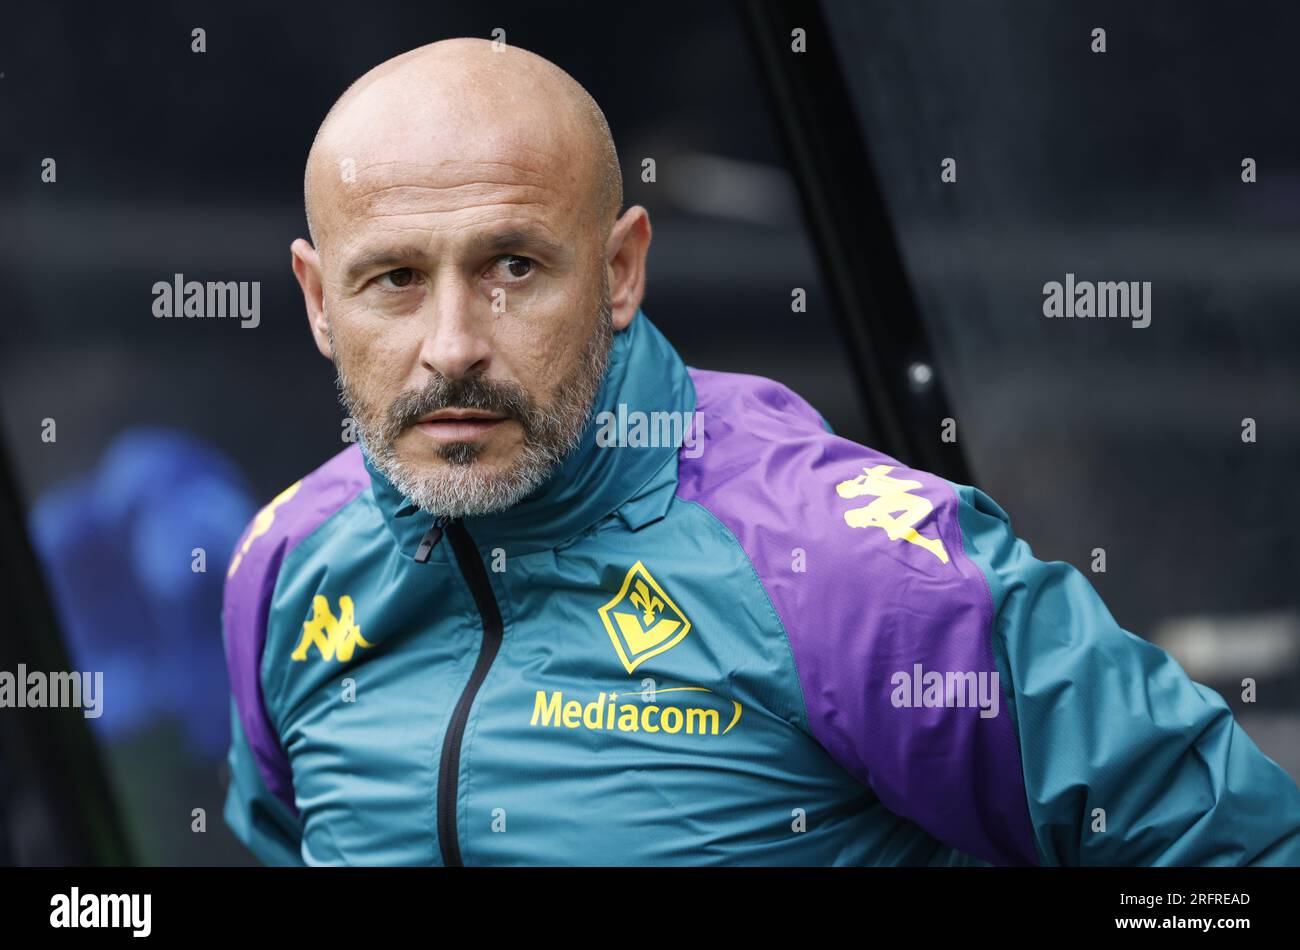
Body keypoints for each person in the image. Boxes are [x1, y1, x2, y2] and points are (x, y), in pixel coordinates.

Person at [222, 37, 1300, 866]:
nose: (451, 347)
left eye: (512, 265)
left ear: (620, 271)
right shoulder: (283, 566)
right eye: (395, 280)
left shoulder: (855, 570)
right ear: (320, 300)